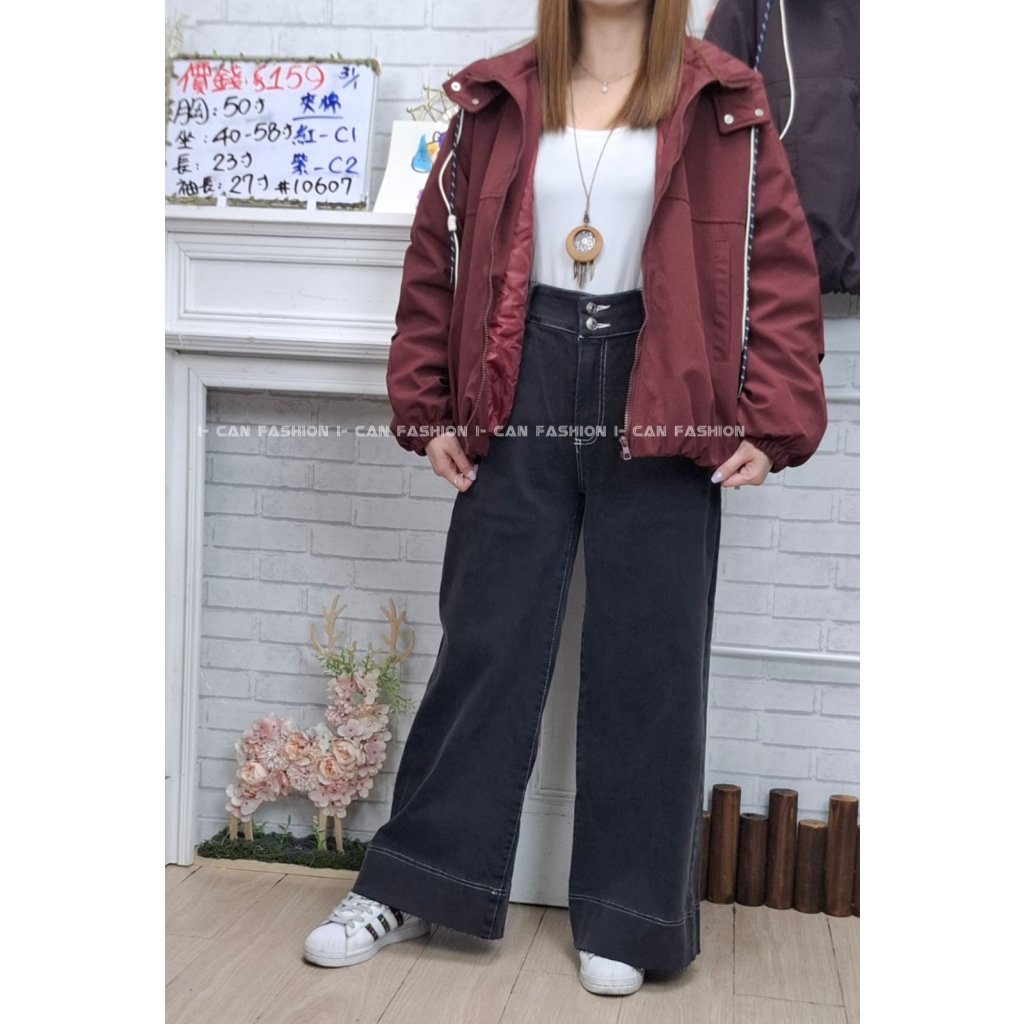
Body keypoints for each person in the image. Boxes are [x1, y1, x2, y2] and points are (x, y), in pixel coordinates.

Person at [304, 0, 826, 998]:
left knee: (650, 659)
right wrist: (428, 403)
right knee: (486, 639)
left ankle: (630, 912)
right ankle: (416, 882)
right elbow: (437, 257)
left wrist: (775, 417)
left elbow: (778, 269)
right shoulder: (499, 97)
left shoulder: (724, 99)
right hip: (520, 372)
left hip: (666, 380)